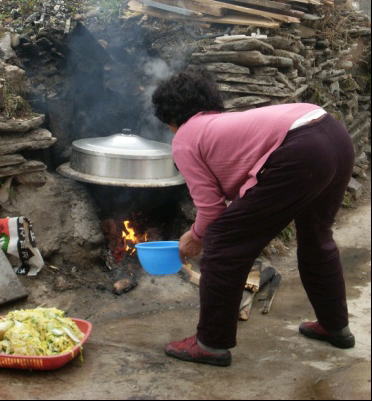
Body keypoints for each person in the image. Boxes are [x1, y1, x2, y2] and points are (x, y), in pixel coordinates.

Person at [151, 69, 356, 367]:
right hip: (333, 135)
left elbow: (212, 211)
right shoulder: (223, 124)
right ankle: (336, 326)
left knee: (222, 244)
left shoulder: (185, 137)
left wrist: (195, 236)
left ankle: (210, 344)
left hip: (301, 148)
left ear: (170, 117)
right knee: (317, 237)